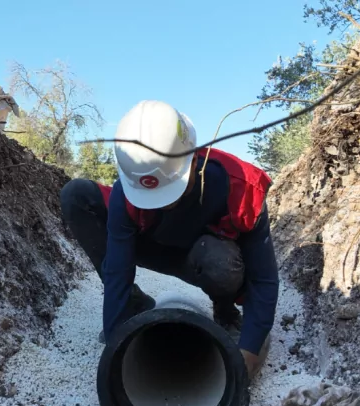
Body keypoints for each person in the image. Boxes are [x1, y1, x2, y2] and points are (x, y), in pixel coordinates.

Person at [60, 100, 279, 379]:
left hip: (206, 256)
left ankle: (225, 312)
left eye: (170, 193)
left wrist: (250, 347)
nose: (161, 205)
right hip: (156, 245)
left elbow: (263, 278)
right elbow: (117, 269)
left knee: (220, 263)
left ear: (194, 159)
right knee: (75, 194)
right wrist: (117, 346)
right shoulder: (126, 192)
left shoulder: (240, 187)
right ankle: (135, 305)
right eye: (151, 198)